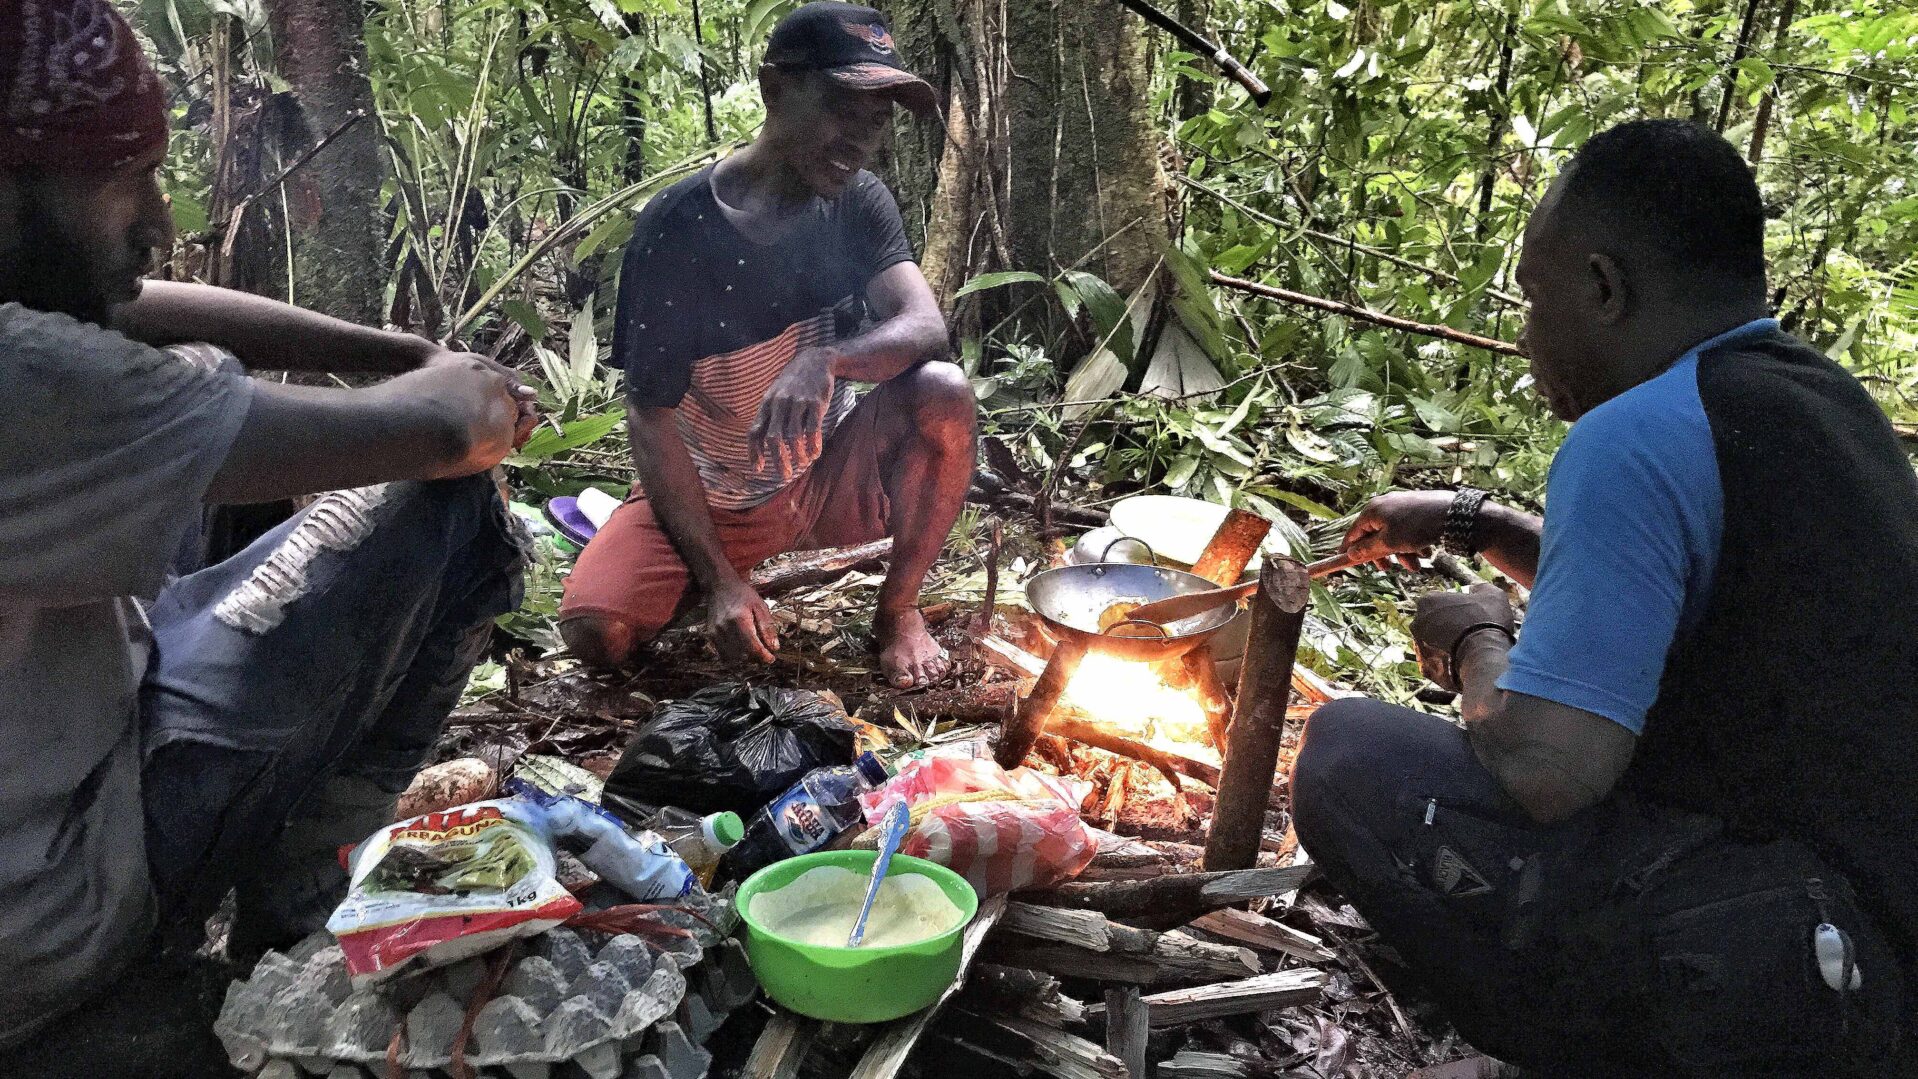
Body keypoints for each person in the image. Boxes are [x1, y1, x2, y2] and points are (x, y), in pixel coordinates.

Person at [1290, 119, 1917, 1076]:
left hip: (1775, 969)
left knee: (1348, 755)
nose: (1526, 329)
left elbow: (1548, 766)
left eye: (1535, 298)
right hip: (1877, 949)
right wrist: (1476, 523)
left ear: (1602, 288)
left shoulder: (1633, 435)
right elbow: (1668, 595)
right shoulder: (1821, 404)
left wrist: (1474, 642)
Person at [0, 2, 536, 1069]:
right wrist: (453, 379)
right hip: (58, 902)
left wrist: (384, 341)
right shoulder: (26, 382)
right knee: (443, 507)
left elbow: (144, 302)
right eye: (123, 180)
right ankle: (301, 896)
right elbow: (443, 430)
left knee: (221, 422)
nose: (156, 216)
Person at [558, 1, 976, 689]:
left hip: (821, 478)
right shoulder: (677, 231)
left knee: (944, 394)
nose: (860, 140)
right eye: (843, 107)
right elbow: (649, 418)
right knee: (598, 634)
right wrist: (718, 577)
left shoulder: (859, 204)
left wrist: (828, 359)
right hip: (714, 496)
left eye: (876, 121)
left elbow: (925, 325)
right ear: (775, 89)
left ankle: (897, 609)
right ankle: (715, 581)